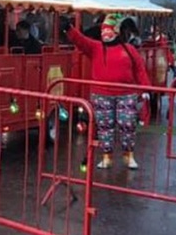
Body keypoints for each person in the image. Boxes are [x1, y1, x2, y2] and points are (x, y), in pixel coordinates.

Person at [62, 13, 151, 169]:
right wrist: (69, 29)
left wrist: (145, 88)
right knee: (104, 126)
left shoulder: (129, 49)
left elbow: (140, 69)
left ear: (116, 32)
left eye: (108, 30)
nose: (104, 34)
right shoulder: (96, 48)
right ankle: (106, 156)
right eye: (103, 30)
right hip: (102, 94)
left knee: (128, 125)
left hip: (126, 93)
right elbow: (81, 41)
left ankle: (128, 155)